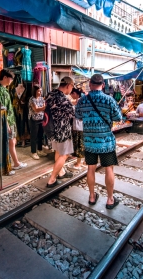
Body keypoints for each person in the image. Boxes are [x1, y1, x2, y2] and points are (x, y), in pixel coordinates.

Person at [76, 74, 122, 209]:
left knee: (90, 169)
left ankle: (91, 197)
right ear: (103, 85)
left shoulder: (82, 101)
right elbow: (118, 117)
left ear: (90, 84)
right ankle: (110, 199)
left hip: (89, 141)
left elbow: (78, 116)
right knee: (109, 169)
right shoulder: (109, 100)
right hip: (106, 141)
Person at [0, 69, 27, 173]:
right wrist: (6, 125)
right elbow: (1, 111)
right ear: (6, 78)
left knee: (12, 142)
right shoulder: (0, 91)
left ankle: (16, 163)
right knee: (7, 144)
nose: (11, 81)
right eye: (11, 78)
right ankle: (6, 167)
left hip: (9, 121)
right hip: (5, 122)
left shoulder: (2, 89)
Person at [45, 76, 75, 187]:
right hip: (62, 131)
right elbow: (73, 113)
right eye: (72, 87)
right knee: (65, 154)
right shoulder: (63, 99)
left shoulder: (50, 94)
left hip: (51, 129)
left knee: (58, 151)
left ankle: (61, 172)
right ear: (68, 85)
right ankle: (52, 179)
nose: (72, 90)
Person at [28, 85, 47, 159]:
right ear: (35, 91)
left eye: (41, 91)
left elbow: (41, 108)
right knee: (34, 136)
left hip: (41, 119)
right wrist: (44, 108)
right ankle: (33, 152)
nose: (40, 92)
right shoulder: (32, 99)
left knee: (40, 135)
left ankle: (39, 150)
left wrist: (42, 108)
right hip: (34, 119)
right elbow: (36, 110)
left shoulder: (42, 99)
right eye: (39, 91)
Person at [70, 87, 85, 170]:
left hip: (79, 126)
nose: (71, 96)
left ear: (74, 94)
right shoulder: (81, 100)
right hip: (79, 126)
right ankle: (83, 161)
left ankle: (79, 163)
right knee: (81, 144)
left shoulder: (79, 101)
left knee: (79, 145)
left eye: (71, 94)